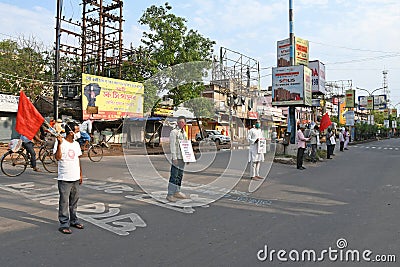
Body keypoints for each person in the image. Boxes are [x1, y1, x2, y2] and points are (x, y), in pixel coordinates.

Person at [54, 121, 84, 234]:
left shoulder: (76, 144)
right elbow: (57, 157)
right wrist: (60, 144)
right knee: (64, 202)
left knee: (74, 201)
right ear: (71, 132)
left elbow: (78, 159)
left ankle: (74, 220)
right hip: (64, 178)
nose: (78, 133)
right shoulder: (61, 142)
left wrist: (80, 174)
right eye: (77, 131)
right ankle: (64, 224)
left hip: (75, 177)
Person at [166, 116, 190, 202]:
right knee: (174, 176)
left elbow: (186, 145)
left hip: (183, 158)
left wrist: (188, 158)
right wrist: (174, 158)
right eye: (179, 122)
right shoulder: (174, 132)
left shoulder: (184, 133)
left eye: (182, 122)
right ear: (177, 123)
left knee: (180, 175)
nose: (181, 123)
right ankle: (170, 194)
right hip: (177, 158)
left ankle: (177, 191)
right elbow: (172, 146)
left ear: (185, 123)